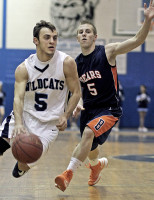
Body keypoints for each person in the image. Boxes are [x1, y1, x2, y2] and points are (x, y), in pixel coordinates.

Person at [0, 20, 81, 198]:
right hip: (25, 115)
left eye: (55, 38)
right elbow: (18, 98)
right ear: (36, 41)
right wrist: (18, 122)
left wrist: (66, 114)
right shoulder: (24, 68)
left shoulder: (66, 62)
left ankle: (21, 166)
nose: (52, 41)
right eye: (47, 37)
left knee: (25, 161)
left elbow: (76, 92)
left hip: (50, 125)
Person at [55, 0, 154, 192]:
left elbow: (136, 41)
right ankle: (96, 165)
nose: (84, 34)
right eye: (81, 32)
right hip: (89, 110)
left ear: (95, 37)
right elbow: (78, 90)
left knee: (88, 133)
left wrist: (147, 21)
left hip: (108, 109)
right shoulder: (76, 64)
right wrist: (79, 102)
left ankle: (67, 174)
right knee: (91, 147)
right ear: (77, 38)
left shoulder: (107, 51)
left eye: (87, 31)